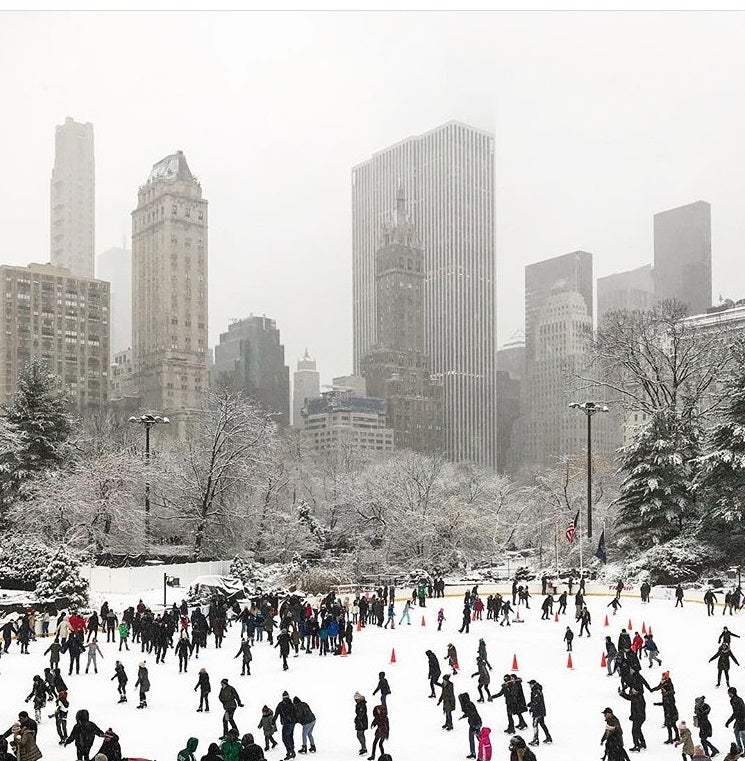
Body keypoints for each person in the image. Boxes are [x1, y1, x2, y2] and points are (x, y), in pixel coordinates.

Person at [527, 679, 552, 746]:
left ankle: (536, 740)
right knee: (542, 724)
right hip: (541, 710)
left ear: (533, 684)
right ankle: (548, 738)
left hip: (538, 711)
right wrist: (529, 704)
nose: (529, 686)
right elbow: (536, 700)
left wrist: (532, 708)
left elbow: (536, 702)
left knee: (535, 725)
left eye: (530, 684)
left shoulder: (535, 691)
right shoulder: (537, 690)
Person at [274, 690, 297, 760]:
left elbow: (276, 713)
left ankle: (290, 752)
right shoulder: (291, 704)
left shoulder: (281, 704)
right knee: (290, 737)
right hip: (292, 723)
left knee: (285, 738)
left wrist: (273, 722)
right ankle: (292, 751)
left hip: (286, 724)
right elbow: (295, 713)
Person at [459, 692, 482, 760]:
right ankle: (484, 749)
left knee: (471, 739)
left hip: (474, 724)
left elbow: (472, 714)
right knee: (480, 738)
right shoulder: (470, 703)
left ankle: (473, 753)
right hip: (478, 722)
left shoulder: (467, 705)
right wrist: (463, 716)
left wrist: (474, 726)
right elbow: (470, 713)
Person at [726, 687, 745, 752]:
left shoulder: (736, 701)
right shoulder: (735, 700)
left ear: (732, 693)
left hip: (742, 721)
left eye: (729, 692)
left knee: (742, 736)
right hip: (739, 720)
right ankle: (740, 748)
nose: (728, 694)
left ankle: (742, 749)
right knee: (736, 732)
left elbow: (736, 713)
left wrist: (728, 721)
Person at [354, 692, 368, 757]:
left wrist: (358, 720)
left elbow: (361, 714)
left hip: (361, 723)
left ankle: (364, 748)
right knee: (360, 735)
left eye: (356, 699)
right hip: (361, 722)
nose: (355, 701)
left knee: (360, 735)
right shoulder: (360, 704)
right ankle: (363, 747)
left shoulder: (361, 705)